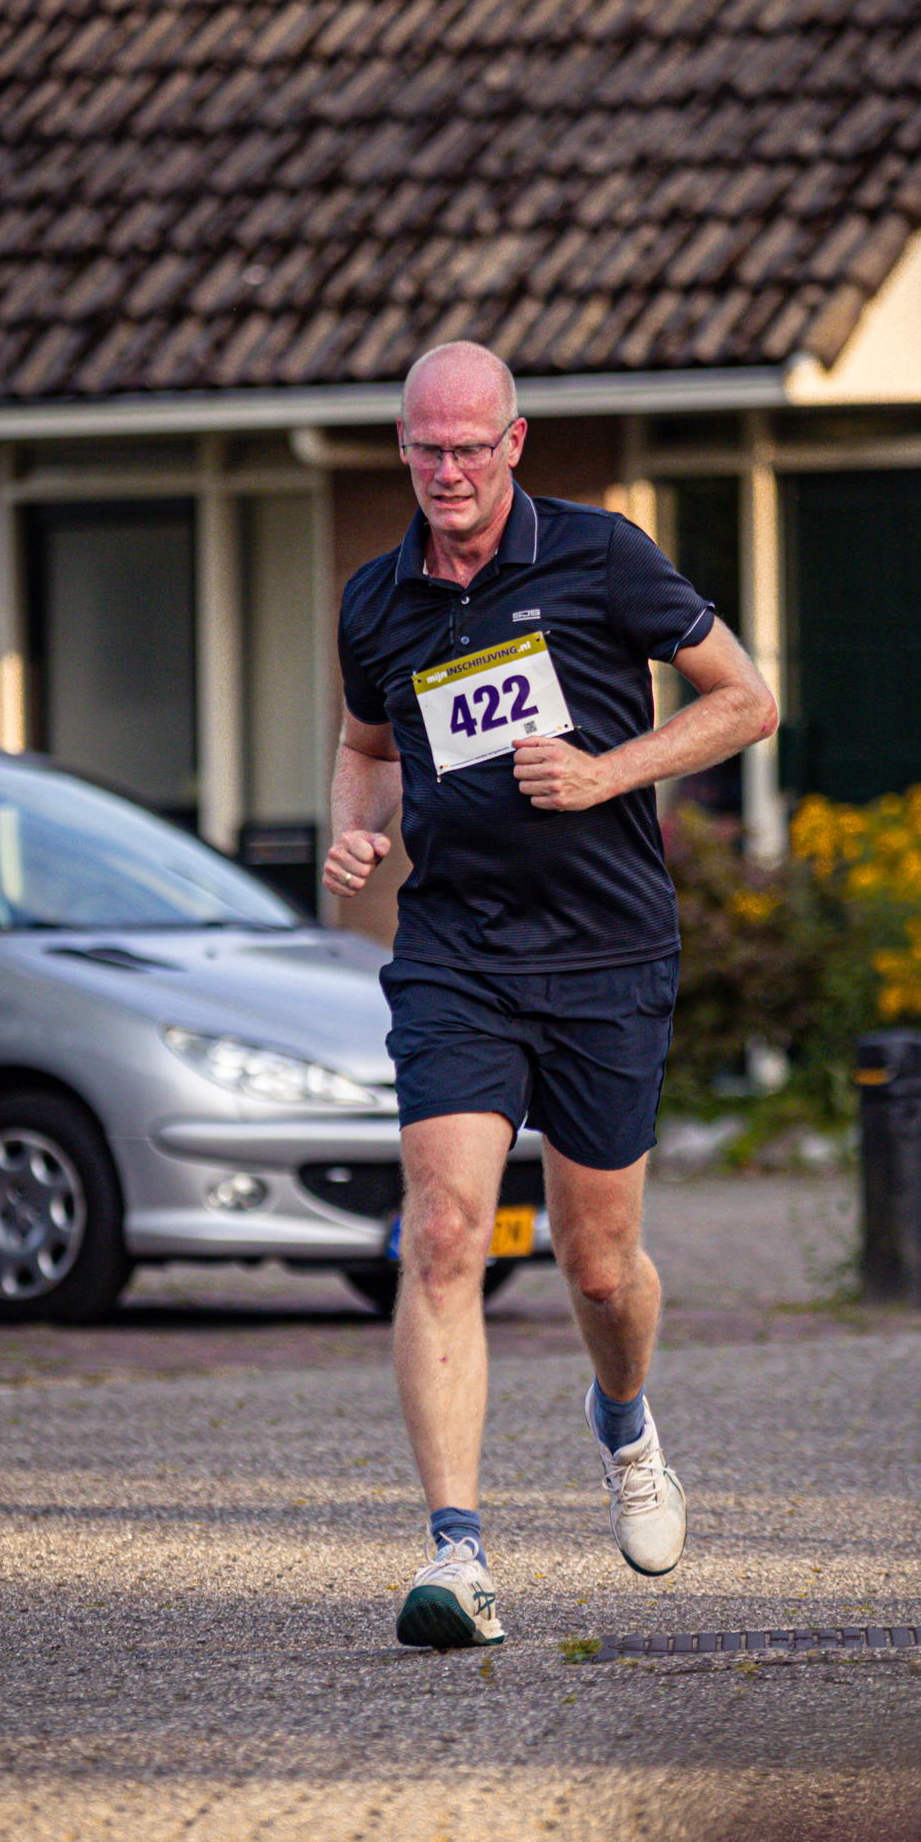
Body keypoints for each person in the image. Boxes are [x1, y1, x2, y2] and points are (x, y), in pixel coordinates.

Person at [327, 340, 778, 1648]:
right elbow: (366, 751)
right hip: (457, 956)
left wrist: (605, 772)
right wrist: (355, 833)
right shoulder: (375, 601)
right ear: (402, 450)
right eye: (426, 449)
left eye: (472, 447)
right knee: (447, 1235)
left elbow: (745, 702)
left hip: (605, 956)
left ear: (514, 443)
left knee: (596, 1268)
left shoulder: (602, 556)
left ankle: (627, 1426)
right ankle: (457, 1558)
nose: (449, 471)